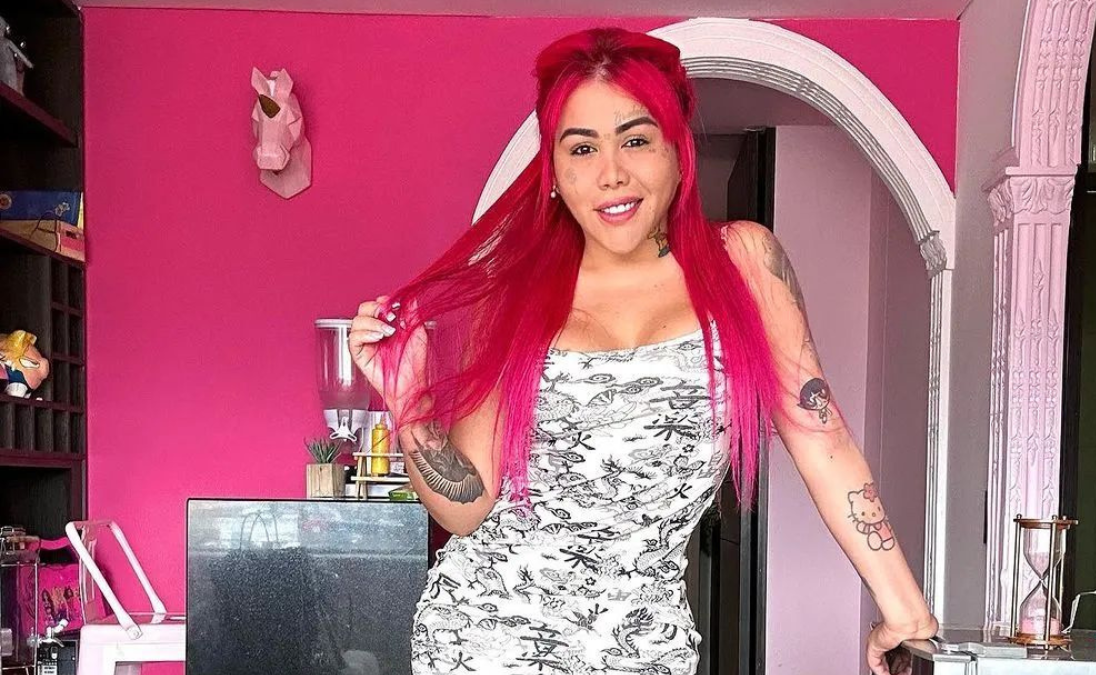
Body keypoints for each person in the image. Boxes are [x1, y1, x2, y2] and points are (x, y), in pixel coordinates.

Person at [349, 26, 937, 675]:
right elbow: (466, 508)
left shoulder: (744, 263)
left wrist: (903, 606)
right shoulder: (514, 297)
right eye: (582, 148)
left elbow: (821, 436)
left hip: (643, 645)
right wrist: (408, 401)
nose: (612, 174)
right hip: (485, 636)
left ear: (677, 152)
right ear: (554, 173)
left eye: (635, 139)